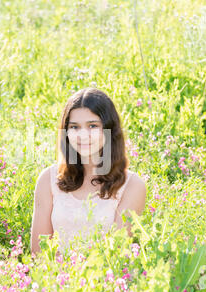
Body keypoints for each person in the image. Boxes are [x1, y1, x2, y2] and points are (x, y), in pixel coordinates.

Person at [30, 87, 146, 256]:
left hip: (106, 281)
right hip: (53, 281)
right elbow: (39, 255)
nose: (83, 135)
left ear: (109, 130)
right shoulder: (48, 180)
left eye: (92, 126)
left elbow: (118, 257)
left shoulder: (132, 186)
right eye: (75, 127)